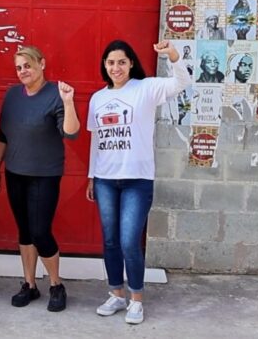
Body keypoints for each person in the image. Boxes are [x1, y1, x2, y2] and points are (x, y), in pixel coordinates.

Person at [86, 39, 191, 325]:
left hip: (137, 180)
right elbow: (97, 140)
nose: (116, 67)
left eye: (121, 61)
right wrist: (91, 176)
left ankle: (136, 299)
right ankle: (116, 294)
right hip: (106, 180)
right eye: (110, 63)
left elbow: (182, 81)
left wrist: (172, 55)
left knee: (129, 241)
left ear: (131, 62)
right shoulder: (97, 98)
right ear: (104, 66)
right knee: (109, 241)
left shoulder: (145, 88)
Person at [0, 46, 80, 312]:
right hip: (15, 172)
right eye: (18, 67)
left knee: (41, 231)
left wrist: (69, 102)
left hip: (45, 174)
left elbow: (71, 133)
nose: (23, 72)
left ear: (41, 63)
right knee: (25, 231)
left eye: (27, 65)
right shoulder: (13, 95)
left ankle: (56, 284)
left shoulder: (56, 94)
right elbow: (3, 135)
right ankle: (29, 284)